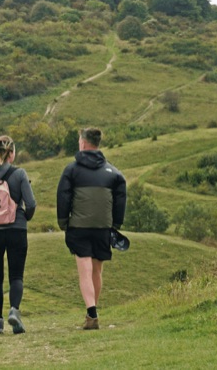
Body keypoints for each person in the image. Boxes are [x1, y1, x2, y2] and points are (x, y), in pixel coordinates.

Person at [56, 128, 126, 330]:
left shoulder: (71, 170)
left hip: (79, 227)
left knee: (84, 270)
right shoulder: (115, 173)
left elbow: (63, 197)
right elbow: (120, 200)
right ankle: (93, 311)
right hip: (103, 227)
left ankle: (91, 313)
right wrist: (116, 225)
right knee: (97, 270)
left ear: (84, 144)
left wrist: (63, 222)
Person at [0, 135, 37, 334]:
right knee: (16, 275)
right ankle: (14, 311)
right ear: (11, 153)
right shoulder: (19, 173)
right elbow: (31, 203)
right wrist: (23, 217)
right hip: (16, 229)